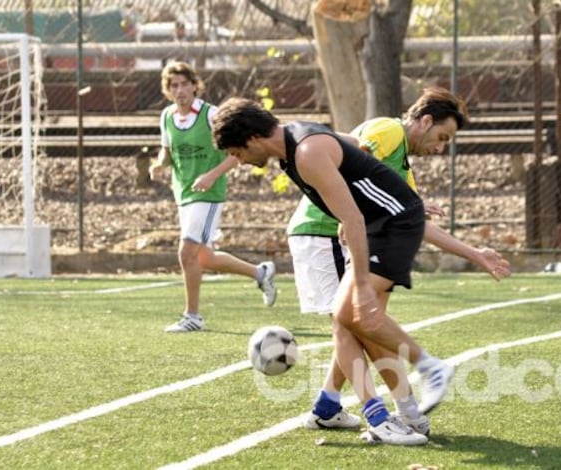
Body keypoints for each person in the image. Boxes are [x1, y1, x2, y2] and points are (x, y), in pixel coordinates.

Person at [213, 97, 485, 446]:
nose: (239, 162)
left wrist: (359, 282)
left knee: (349, 317)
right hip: (391, 221)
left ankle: (402, 396)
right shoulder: (296, 136)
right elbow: (356, 145)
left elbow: (353, 218)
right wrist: (360, 183)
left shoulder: (306, 153)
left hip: (389, 226)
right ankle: (397, 404)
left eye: (236, 153)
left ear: (251, 138)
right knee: (354, 320)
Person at [287, 87, 511, 437]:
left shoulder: (403, 168)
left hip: (349, 235)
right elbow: (352, 163)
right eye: (442, 137)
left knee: (360, 322)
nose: (440, 148)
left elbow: (413, 221)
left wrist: (474, 254)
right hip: (323, 231)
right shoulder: (387, 131)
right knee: (350, 323)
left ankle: (330, 406)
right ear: (423, 121)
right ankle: (389, 414)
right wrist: (351, 218)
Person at [150, 62, 277, 333]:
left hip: (209, 195)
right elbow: (167, 151)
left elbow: (237, 152)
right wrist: (159, 164)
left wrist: (211, 175)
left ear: (195, 85)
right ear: (168, 90)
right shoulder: (167, 117)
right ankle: (260, 273)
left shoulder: (211, 114)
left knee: (187, 252)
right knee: (204, 258)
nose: (180, 89)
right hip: (183, 193)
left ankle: (192, 316)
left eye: (185, 83)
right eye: (174, 85)